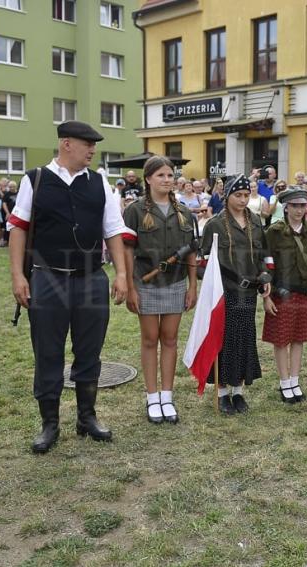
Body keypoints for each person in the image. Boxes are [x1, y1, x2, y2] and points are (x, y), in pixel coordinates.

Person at [8, 120, 128, 453]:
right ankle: (49, 424)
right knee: (47, 351)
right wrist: (18, 276)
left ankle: (86, 418)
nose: (93, 150)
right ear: (66, 144)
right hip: (48, 277)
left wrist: (121, 273)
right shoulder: (35, 179)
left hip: (91, 278)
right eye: (87, 143)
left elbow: (113, 230)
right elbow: (18, 228)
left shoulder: (101, 182)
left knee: (89, 350)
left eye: (94, 144)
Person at [123, 155, 198, 424]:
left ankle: (167, 395)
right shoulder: (135, 210)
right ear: (148, 179)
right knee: (149, 338)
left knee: (169, 338)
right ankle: (152, 396)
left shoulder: (185, 213)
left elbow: (191, 252)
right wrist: (130, 287)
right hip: (146, 282)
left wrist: (192, 286)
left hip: (176, 282)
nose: (167, 180)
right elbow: (127, 251)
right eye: (161, 175)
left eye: (170, 175)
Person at [200, 174, 271, 414]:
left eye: (245, 195)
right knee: (224, 342)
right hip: (224, 293)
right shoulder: (215, 225)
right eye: (237, 195)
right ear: (226, 195)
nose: (242, 200)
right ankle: (222, 394)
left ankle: (239, 392)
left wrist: (265, 277)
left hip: (248, 293)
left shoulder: (255, 221)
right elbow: (204, 264)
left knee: (244, 340)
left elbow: (264, 255)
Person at [263, 187, 307, 403]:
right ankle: (284, 382)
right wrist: (266, 294)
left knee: (299, 338)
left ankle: (295, 380)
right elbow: (266, 264)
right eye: (295, 206)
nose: (300, 210)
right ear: (286, 207)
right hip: (281, 293)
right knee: (281, 339)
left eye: (303, 206)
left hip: (305, 292)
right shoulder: (274, 232)